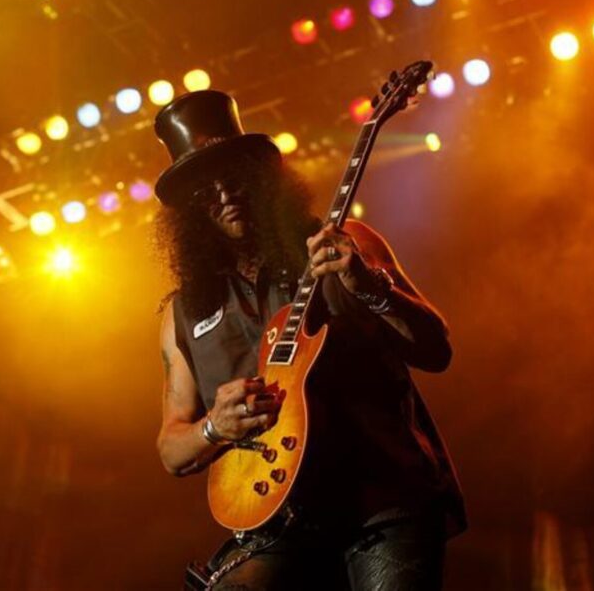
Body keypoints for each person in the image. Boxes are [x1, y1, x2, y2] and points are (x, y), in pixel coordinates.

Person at [153, 90, 466, 590]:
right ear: (189, 212)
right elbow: (172, 448)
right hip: (278, 522)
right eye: (204, 190)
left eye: (233, 176)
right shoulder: (182, 314)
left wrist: (370, 286)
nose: (225, 194)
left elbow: (437, 349)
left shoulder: (345, 244)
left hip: (381, 501)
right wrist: (214, 427)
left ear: (261, 178)